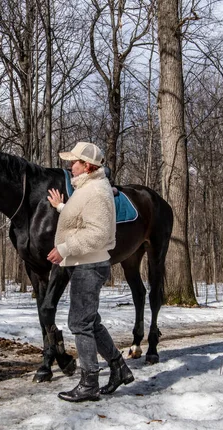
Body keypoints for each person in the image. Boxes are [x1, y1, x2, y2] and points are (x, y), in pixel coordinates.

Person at [47, 142, 134, 402]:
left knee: (79, 323)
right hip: (84, 263)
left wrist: (64, 248)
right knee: (90, 321)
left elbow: (98, 233)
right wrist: (62, 208)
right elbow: (86, 219)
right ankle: (119, 368)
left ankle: (89, 383)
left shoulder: (95, 191)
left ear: (87, 165)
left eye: (74, 162)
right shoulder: (89, 188)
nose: (70, 166)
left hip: (89, 265)